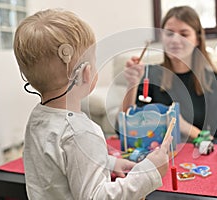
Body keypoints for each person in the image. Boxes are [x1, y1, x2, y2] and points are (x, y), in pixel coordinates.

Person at [13, 9, 172, 200]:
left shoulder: (38, 117)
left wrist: (109, 163)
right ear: (86, 73)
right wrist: (148, 173)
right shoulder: (81, 132)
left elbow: (61, 164)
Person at [122, 6, 217, 140]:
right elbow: (125, 129)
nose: (175, 40)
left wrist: (185, 127)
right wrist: (132, 84)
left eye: (184, 34)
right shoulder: (149, 75)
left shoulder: (214, 83)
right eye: (169, 33)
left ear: (198, 40)